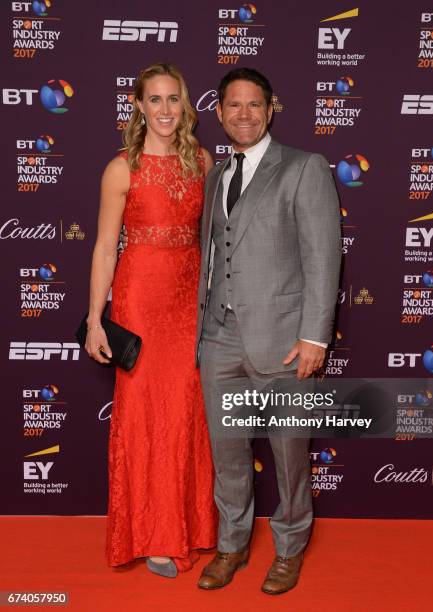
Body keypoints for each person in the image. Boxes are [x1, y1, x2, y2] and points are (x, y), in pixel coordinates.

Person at [195, 68, 341, 594]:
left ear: (271, 108)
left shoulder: (304, 167)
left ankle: (289, 547)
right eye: (233, 105)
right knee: (227, 451)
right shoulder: (216, 175)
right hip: (219, 336)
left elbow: (323, 258)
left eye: (254, 105)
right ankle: (231, 545)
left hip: (282, 340)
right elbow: (214, 255)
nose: (243, 114)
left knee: (288, 451)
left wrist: (315, 338)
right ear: (219, 112)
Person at [85, 62, 217, 577]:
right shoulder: (122, 168)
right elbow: (103, 248)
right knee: (146, 414)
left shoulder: (202, 162)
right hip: (140, 297)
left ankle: (194, 526)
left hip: (190, 299)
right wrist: (96, 320)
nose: (165, 109)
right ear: (138, 106)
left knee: (187, 410)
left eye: (173, 99)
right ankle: (155, 535)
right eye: (155, 100)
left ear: (186, 105)